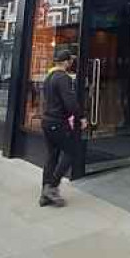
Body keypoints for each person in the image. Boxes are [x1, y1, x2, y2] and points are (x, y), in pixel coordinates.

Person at [40, 47, 86, 207]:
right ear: (66, 62)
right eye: (71, 60)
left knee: (52, 156)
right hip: (57, 123)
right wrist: (81, 117)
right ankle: (52, 187)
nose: (72, 63)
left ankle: (44, 194)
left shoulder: (49, 77)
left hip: (46, 121)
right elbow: (70, 103)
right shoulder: (63, 78)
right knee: (71, 151)